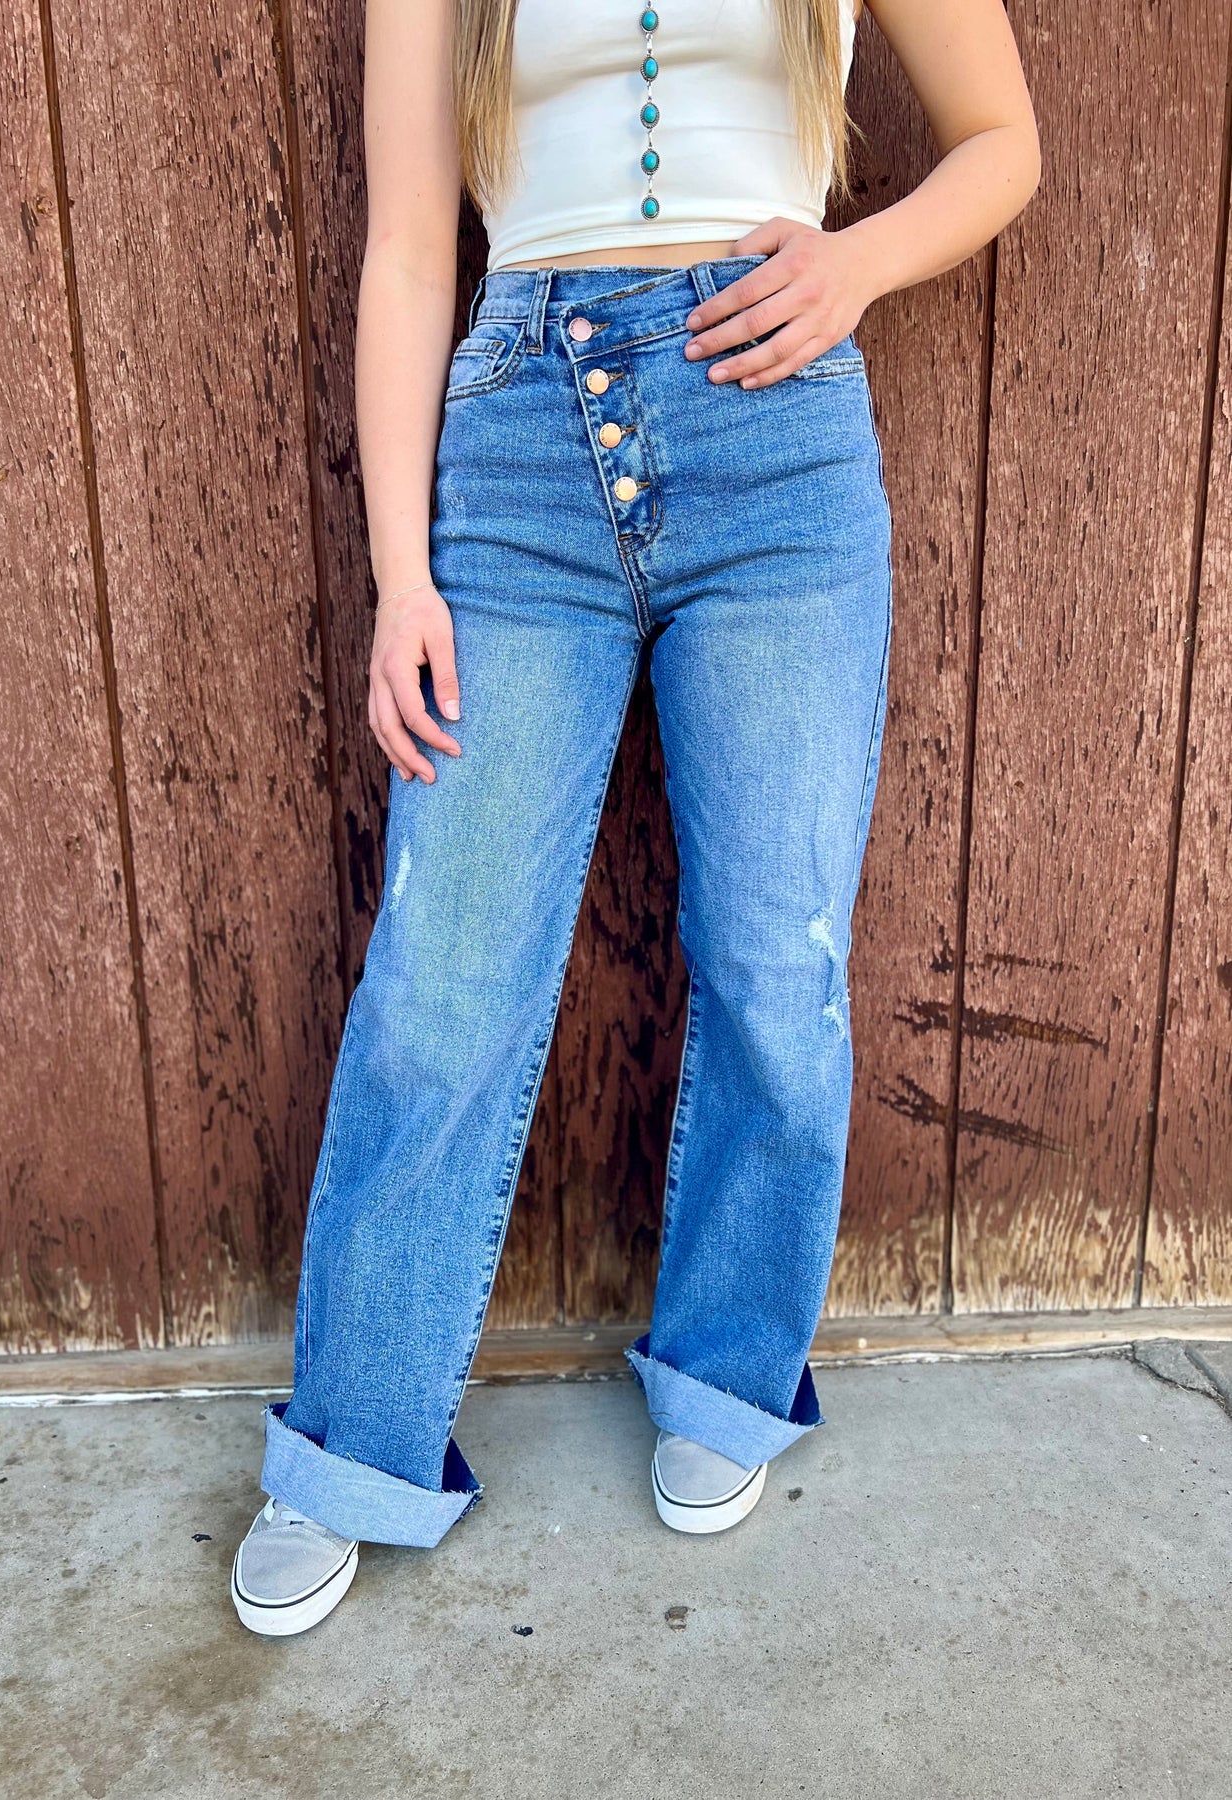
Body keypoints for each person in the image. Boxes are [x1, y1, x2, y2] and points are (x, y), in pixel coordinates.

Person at [230, 0, 1039, 1637]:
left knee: (778, 960)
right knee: (443, 982)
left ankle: (729, 1373)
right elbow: (409, 251)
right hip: (520, 443)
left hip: (776, 439)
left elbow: (1002, 142)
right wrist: (401, 576)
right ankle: (351, 1442)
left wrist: (855, 265)